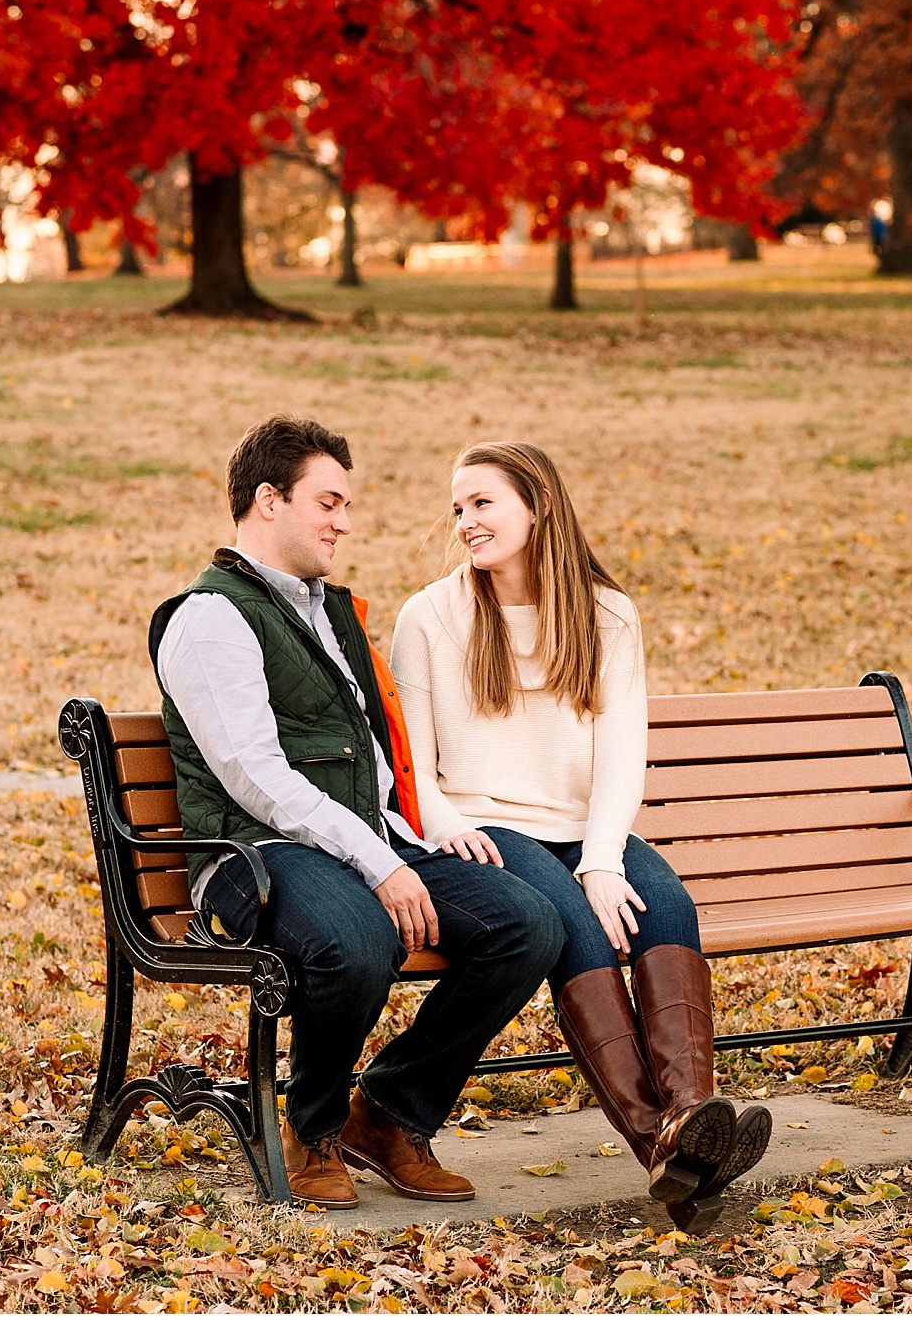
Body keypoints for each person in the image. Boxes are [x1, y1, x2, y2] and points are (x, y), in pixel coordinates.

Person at [149, 416, 563, 1209]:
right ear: (269, 501)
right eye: (328, 502)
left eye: (346, 505)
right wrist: (381, 865)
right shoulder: (211, 618)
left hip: (361, 841)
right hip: (254, 858)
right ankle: (315, 1128)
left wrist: (418, 837)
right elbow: (255, 778)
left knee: (529, 926)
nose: (345, 522)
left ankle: (392, 1110)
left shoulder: (329, 611)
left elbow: (373, 753)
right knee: (357, 938)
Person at [391, 441, 770, 1232]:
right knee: (579, 930)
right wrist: (450, 826)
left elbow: (621, 753)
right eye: (458, 507)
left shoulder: (607, 615)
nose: (465, 521)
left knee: (664, 906)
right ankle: (661, 1139)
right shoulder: (431, 615)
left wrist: (603, 858)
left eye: (482, 503)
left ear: (542, 506)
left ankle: (692, 1115)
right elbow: (412, 764)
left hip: (580, 831)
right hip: (485, 828)